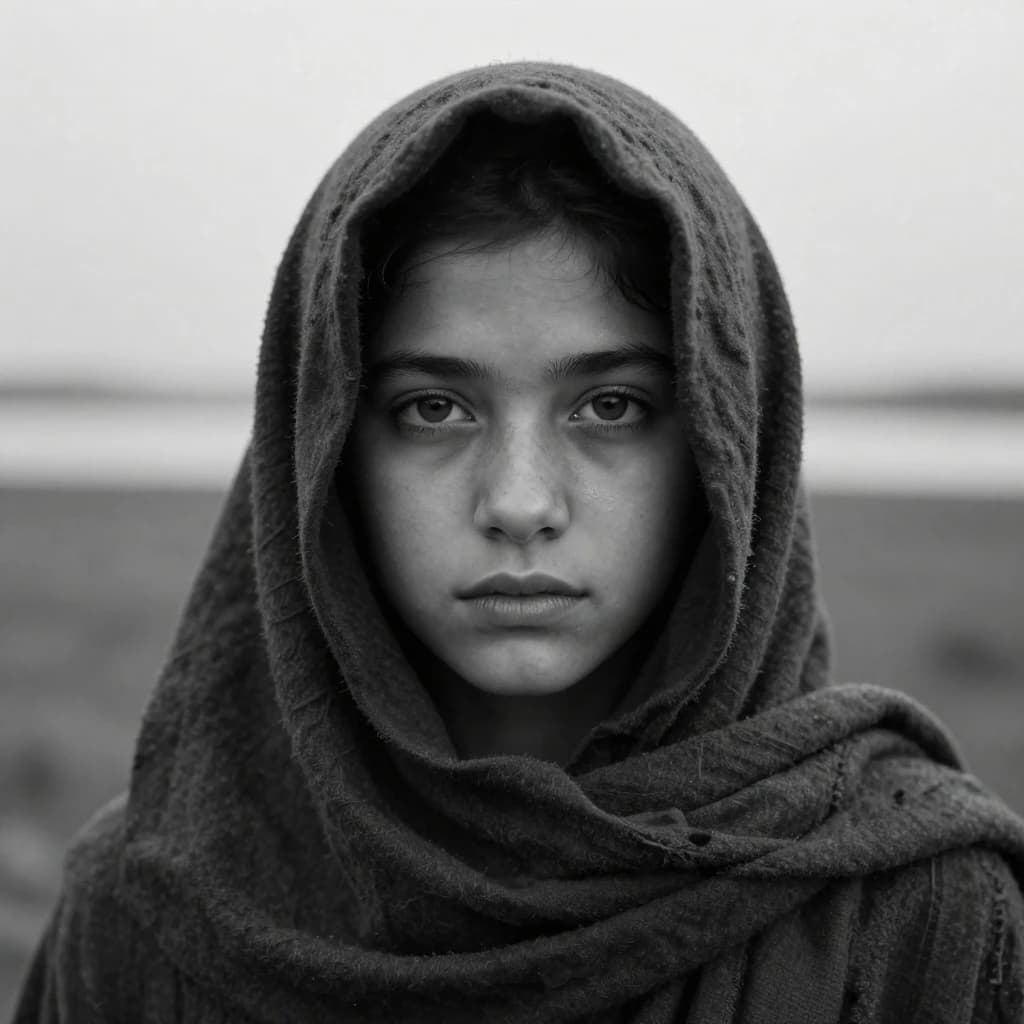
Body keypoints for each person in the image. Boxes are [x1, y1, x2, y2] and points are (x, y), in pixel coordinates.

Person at [13, 61, 1024, 1023]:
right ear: (320, 459)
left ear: (723, 450)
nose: (519, 500)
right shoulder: (152, 910)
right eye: (435, 408)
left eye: (612, 405)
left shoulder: (919, 917)